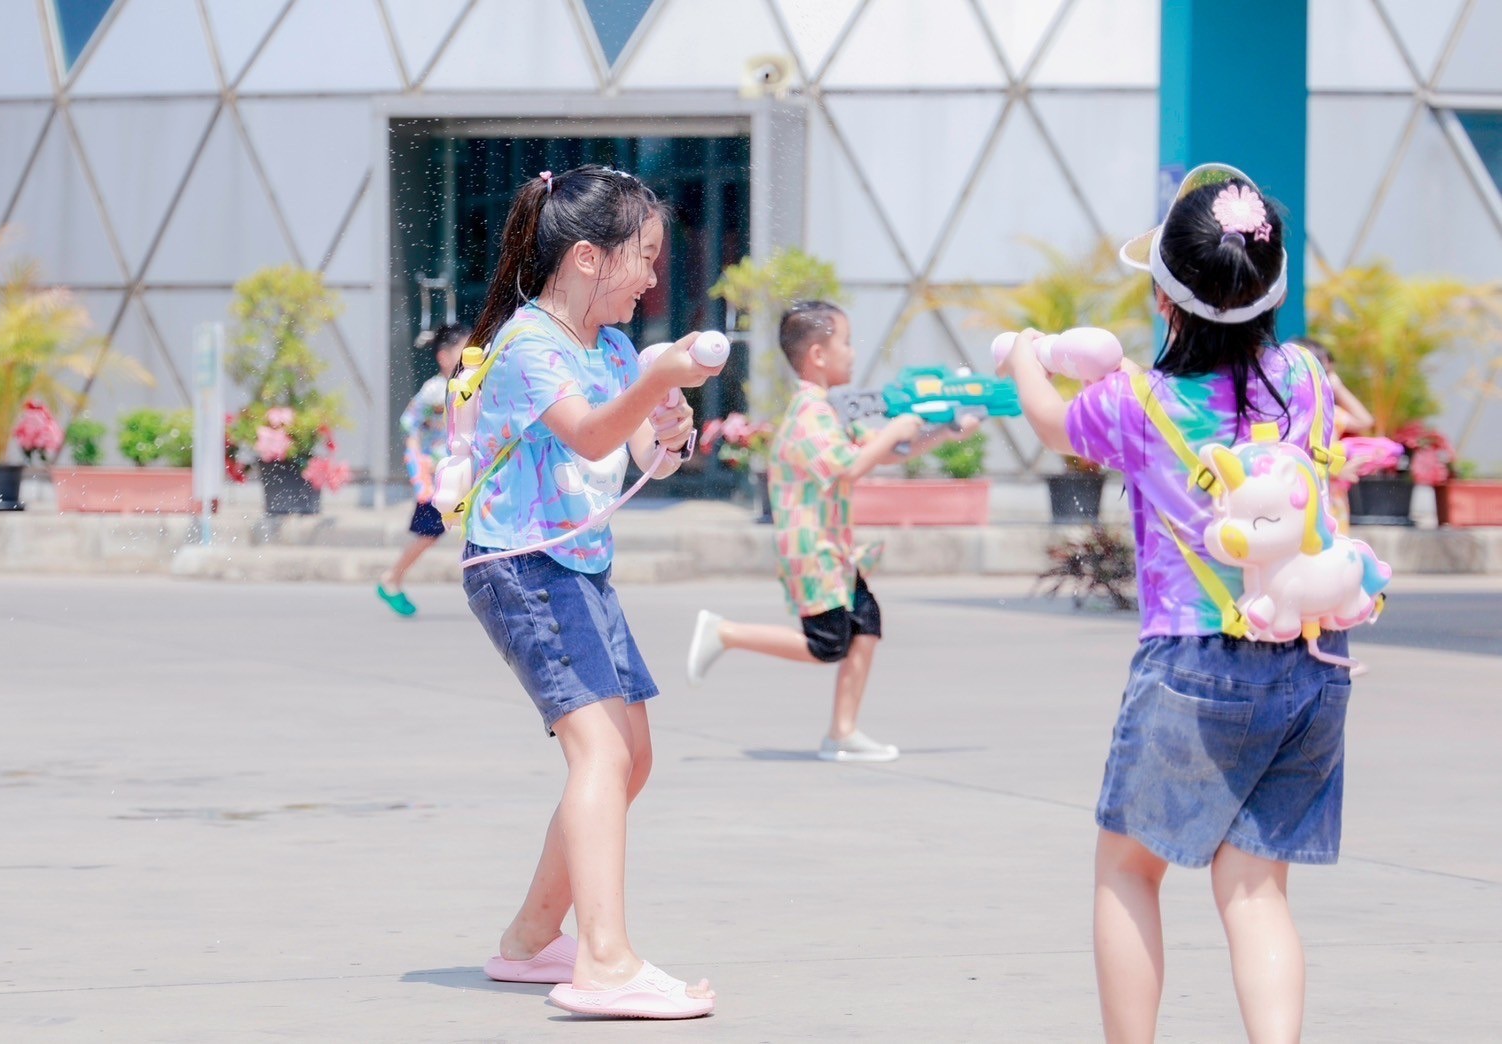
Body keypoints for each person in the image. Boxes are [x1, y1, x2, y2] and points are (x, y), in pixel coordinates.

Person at [999, 164, 1353, 1043]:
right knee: (1256, 887)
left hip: (1195, 664)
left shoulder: (1136, 401)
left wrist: (1026, 357)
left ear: (1165, 299)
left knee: (1128, 870)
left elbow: (1052, 422)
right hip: (1310, 660)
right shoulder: (1309, 380)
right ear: (1272, 290)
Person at [461, 165, 722, 1020]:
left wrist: (672, 431)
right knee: (602, 756)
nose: (652, 276)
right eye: (642, 256)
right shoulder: (529, 345)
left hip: (577, 566)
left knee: (632, 757)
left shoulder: (609, 348)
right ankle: (605, 961)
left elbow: (643, 455)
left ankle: (532, 938)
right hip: (522, 566)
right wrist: (654, 384)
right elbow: (586, 435)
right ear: (586, 257)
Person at [684, 300, 979, 762]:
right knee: (827, 645)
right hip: (813, 552)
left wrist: (945, 431)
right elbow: (850, 467)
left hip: (833, 551)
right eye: (846, 342)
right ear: (818, 355)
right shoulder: (810, 414)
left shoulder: (830, 411)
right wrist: (897, 427)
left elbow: (886, 453)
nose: (854, 352)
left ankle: (843, 732)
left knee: (866, 624)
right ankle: (725, 633)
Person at [376, 323, 470, 616]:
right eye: (465, 349)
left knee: (475, 524)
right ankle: (391, 578)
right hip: (438, 475)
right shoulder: (434, 390)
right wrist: (419, 469)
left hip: (463, 471)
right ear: (444, 356)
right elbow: (410, 424)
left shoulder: (471, 386)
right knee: (429, 532)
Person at [1299, 337, 1377, 531]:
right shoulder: (1296, 415)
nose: (1330, 378)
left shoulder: (1331, 413)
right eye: (1326, 372)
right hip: (1306, 501)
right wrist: (1336, 471)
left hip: (1333, 501)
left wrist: (1338, 387)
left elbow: (1365, 421)